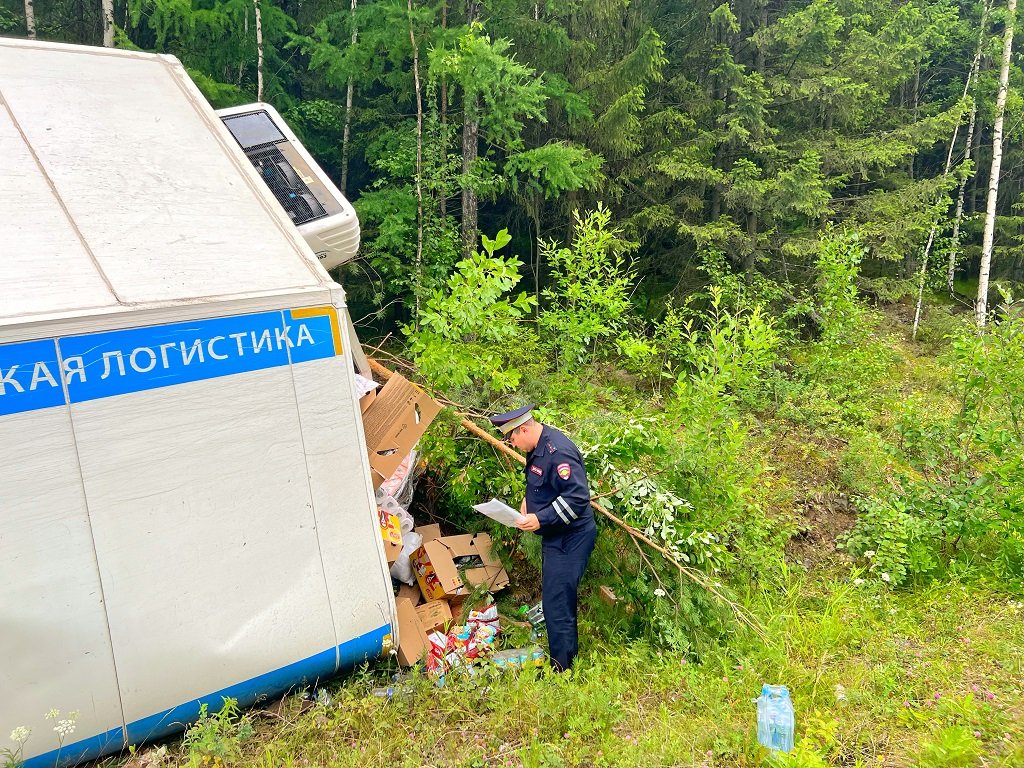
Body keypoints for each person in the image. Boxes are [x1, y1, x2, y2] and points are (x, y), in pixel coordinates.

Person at [489, 405, 597, 671]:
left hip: (571, 538)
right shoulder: (536, 448)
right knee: (554, 600)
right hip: (556, 537)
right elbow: (542, 483)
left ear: (523, 429)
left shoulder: (557, 452)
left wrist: (540, 518)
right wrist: (529, 502)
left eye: (512, 438)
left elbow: (577, 498)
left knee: (557, 603)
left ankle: (563, 670)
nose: (512, 444)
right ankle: (563, 659)